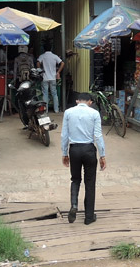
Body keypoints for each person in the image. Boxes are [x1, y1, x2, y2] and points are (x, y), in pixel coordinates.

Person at [61, 92, 106, 225]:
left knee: (75, 179)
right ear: (90, 102)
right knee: (90, 183)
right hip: (89, 150)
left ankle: (74, 205)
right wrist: (102, 155)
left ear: (77, 101)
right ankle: (89, 217)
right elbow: (98, 135)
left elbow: (64, 135)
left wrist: (64, 153)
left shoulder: (68, 113)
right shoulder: (94, 113)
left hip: (74, 150)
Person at [37, 43, 64, 113]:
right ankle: (56, 110)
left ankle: (46, 110)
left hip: (45, 77)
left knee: (45, 94)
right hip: (53, 77)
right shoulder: (54, 56)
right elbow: (62, 63)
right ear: (51, 48)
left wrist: (40, 70)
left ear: (44, 48)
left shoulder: (42, 56)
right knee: (54, 94)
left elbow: (38, 63)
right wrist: (58, 72)